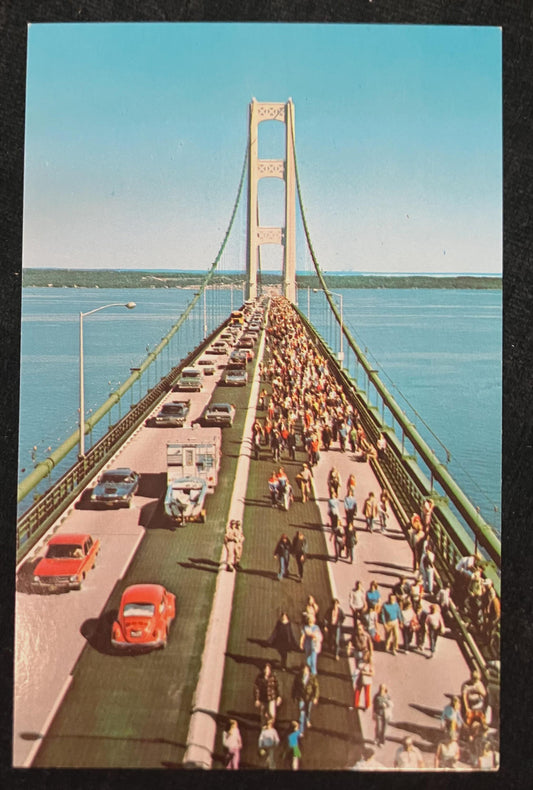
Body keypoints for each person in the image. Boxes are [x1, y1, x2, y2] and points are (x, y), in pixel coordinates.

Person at [291, 663, 319, 733]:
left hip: (309, 698)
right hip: (301, 697)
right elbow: (294, 686)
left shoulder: (312, 678)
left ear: (309, 670)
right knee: (302, 712)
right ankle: (301, 730)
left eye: (306, 669)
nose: (305, 671)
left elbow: (316, 687)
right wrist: (293, 695)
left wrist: (316, 697)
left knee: (308, 710)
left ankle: (307, 719)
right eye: (303, 669)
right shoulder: (298, 676)